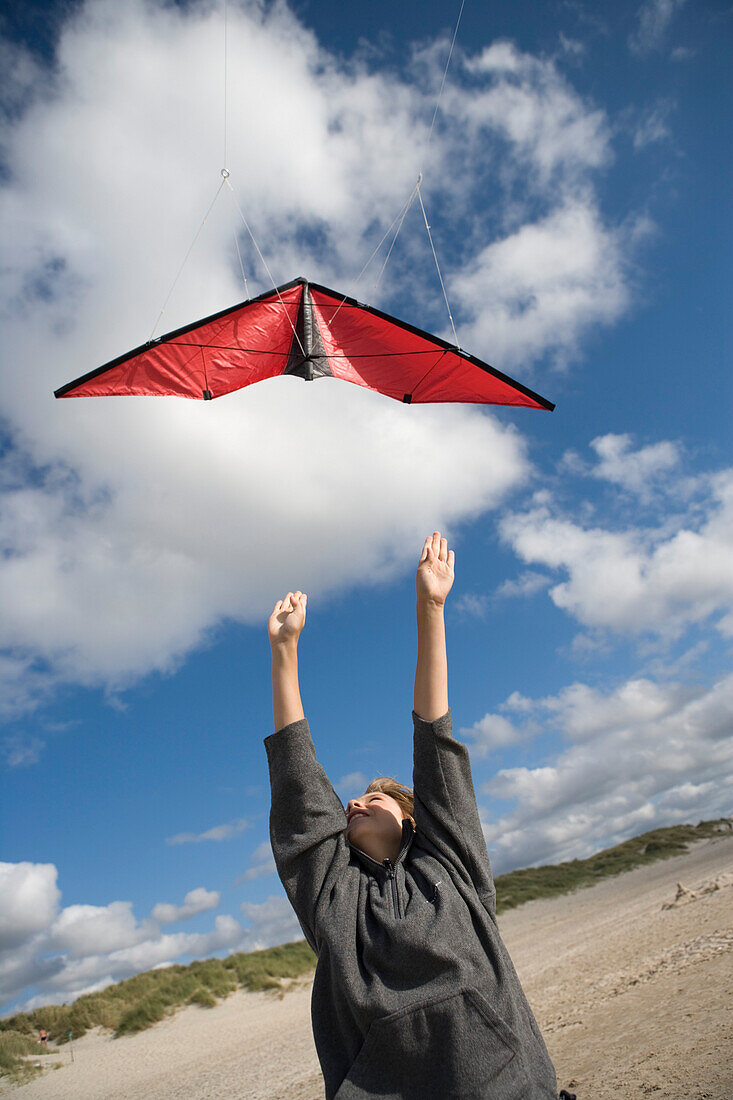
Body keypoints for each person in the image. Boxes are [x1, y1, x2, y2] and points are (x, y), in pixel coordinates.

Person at [265, 531, 559, 1099]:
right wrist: (284, 653)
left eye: (372, 799)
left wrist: (431, 607)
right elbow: (299, 785)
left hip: (505, 1085)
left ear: (412, 820)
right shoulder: (333, 896)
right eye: (352, 802)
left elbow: (435, 739)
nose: (352, 803)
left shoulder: (451, 864)